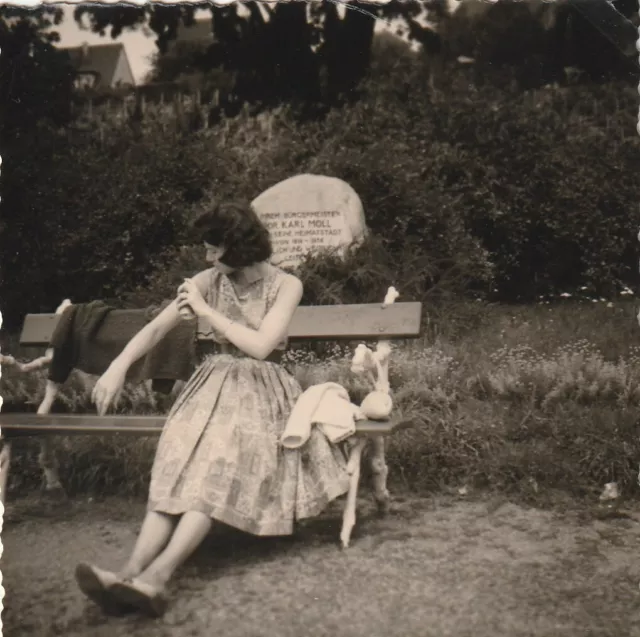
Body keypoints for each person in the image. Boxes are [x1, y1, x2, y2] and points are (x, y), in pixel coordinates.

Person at [74, 201, 351, 618]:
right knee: (178, 462)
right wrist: (116, 367)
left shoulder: (286, 285)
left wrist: (205, 313)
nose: (207, 259)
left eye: (214, 250)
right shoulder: (208, 279)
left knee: (214, 465)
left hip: (262, 390)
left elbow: (260, 346)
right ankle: (127, 573)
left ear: (238, 249)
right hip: (210, 387)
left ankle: (159, 577)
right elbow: (154, 329)